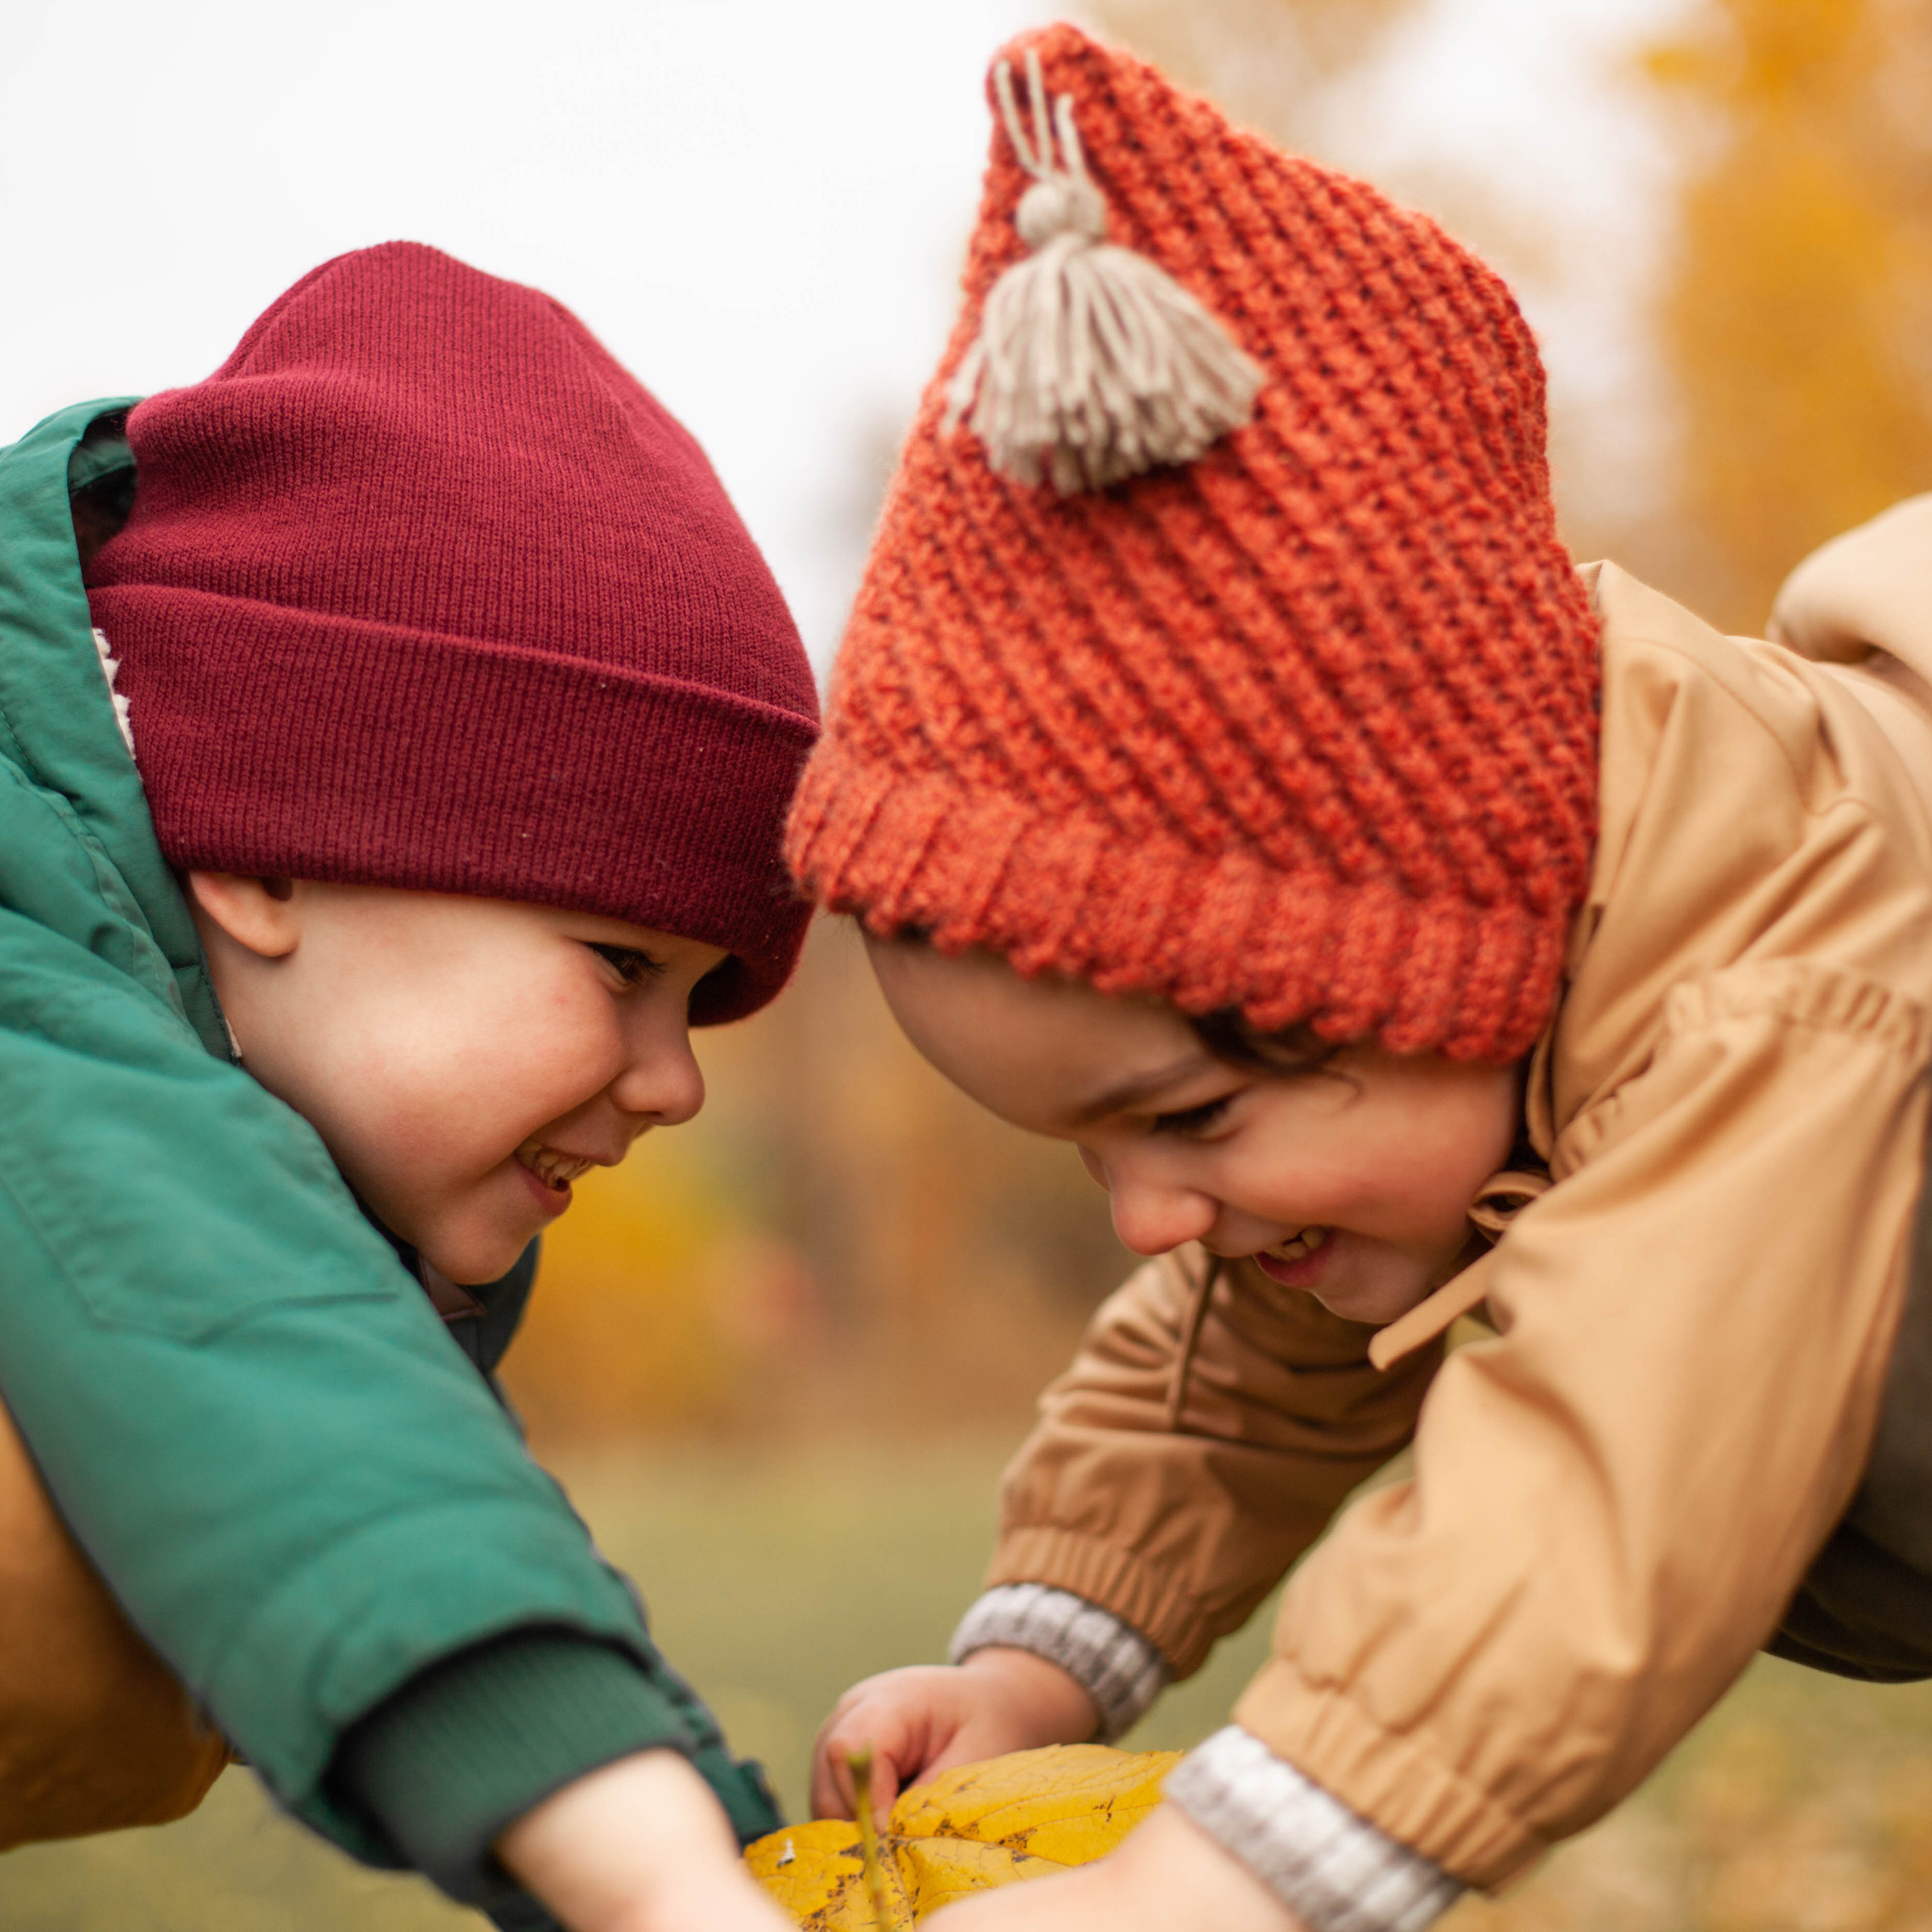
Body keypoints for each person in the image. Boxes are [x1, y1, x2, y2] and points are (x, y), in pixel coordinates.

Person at [793, 23, 1932, 1932]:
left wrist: (1208, 1886)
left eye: (1184, 1117)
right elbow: (1248, 1359)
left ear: (1425, 943)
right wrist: (1040, 1658)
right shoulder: (1481, 1022)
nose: (1148, 1215)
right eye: (1095, 1150)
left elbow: (1613, 1475)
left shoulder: (1775, 971)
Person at [1, 239, 814, 1932]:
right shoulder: (32, 1015)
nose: (676, 1085)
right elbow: (237, 1326)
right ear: (264, 858)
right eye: (621, 963)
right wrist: (665, 1887)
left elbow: (383, 1447)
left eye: (699, 1000)